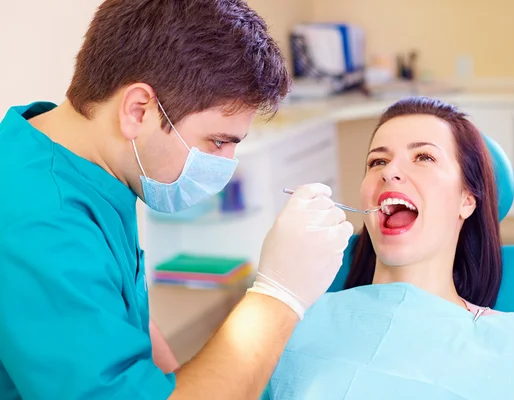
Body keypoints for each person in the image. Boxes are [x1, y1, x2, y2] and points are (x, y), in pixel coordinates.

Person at [0, 1, 353, 399]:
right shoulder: (41, 222)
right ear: (138, 110)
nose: (225, 164)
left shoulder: (77, 161)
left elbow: (117, 318)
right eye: (217, 141)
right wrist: (279, 294)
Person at [262, 97, 514, 399]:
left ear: (467, 199)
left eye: (424, 157)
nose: (389, 171)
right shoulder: (291, 320)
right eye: (377, 161)